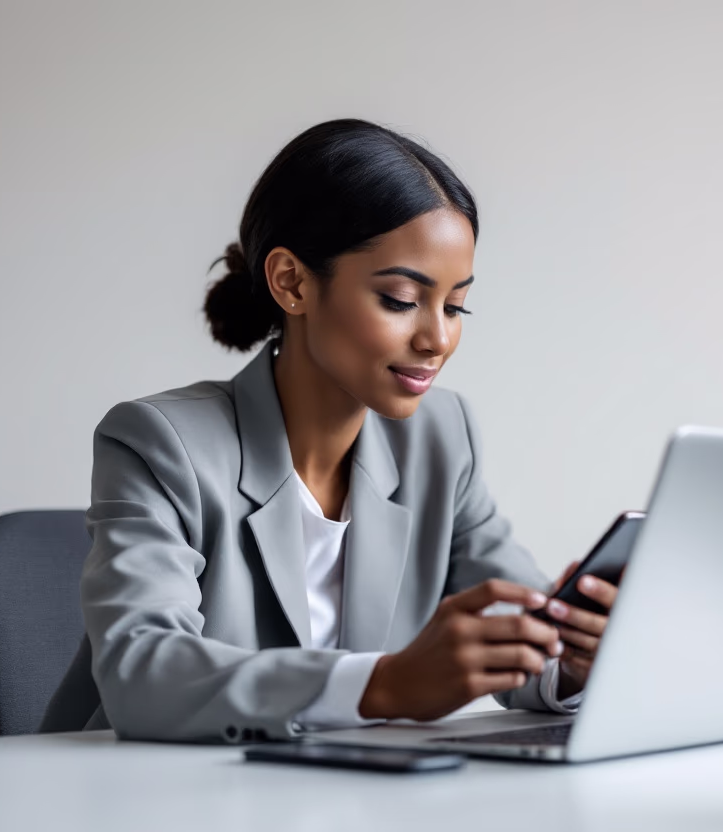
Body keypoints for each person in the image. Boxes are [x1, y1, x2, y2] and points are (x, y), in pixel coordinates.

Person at [71, 119, 618, 743]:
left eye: (456, 305)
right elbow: (143, 676)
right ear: (292, 282)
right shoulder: (162, 442)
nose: (437, 339)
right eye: (401, 299)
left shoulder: (442, 439)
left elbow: (513, 631)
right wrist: (384, 684)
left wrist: (568, 659)